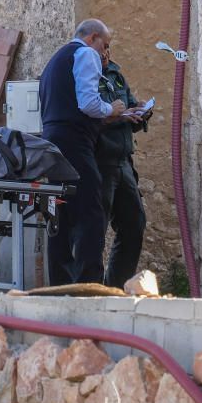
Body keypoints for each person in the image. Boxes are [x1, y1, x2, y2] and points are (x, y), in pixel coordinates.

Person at [39, 19, 126, 285]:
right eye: (105, 45)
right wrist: (112, 109)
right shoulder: (85, 53)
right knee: (90, 209)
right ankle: (89, 281)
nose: (105, 54)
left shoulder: (55, 60)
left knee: (60, 212)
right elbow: (88, 102)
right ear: (93, 38)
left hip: (52, 140)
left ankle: (60, 283)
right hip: (75, 142)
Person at [97, 43, 150, 288]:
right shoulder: (86, 77)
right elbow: (88, 117)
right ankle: (90, 290)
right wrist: (115, 115)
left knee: (134, 223)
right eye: (102, 47)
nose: (107, 53)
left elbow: (129, 110)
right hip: (100, 161)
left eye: (109, 48)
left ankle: (116, 288)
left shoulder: (116, 75)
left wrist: (139, 113)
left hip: (123, 161)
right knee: (94, 228)